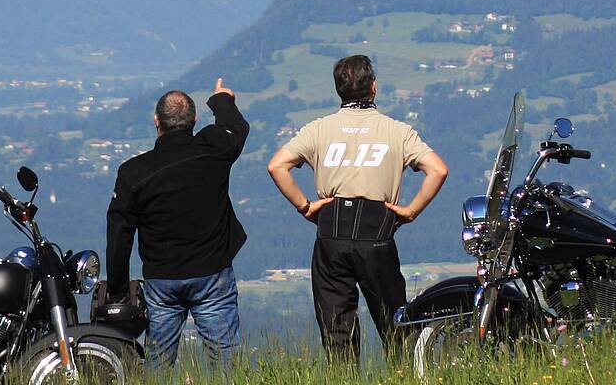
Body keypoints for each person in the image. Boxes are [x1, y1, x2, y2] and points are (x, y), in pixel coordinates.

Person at [266, 54, 449, 361]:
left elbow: (277, 165)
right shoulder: (397, 131)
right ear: (373, 88)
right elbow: (438, 170)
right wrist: (411, 210)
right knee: (395, 326)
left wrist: (305, 207)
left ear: (339, 89)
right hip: (376, 229)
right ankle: (403, 375)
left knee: (337, 331)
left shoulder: (318, 129)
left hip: (332, 228)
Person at [104, 78, 247, 371]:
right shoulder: (213, 151)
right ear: (194, 120)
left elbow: (120, 234)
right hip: (212, 273)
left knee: (158, 363)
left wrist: (118, 288)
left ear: (157, 121)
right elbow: (236, 127)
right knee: (226, 362)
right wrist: (221, 99)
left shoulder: (133, 172)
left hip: (161, 279)